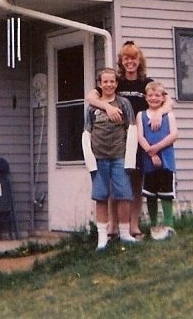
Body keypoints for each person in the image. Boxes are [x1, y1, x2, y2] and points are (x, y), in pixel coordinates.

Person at [85, 40, 173, 238]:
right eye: (126, 58)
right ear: (121, 61)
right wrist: (107, 107)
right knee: (113, 183)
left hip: (139, 139)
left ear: (139, 60)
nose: (130, 62)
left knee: (134, 183)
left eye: (134, 58)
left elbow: (168, 100)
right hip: (116, 140)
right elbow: (91, 97)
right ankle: (112, 226)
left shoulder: (145, 83)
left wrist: (160, 113)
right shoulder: (116, 82)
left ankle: (133, 225)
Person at [82, 67, 139, 249]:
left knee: (124, 195)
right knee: (101, 197)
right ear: (100, 84)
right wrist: (90, 160)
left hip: (119, 157)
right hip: (99, 158)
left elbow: (132, 129)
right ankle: (102, 237)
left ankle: (124, 233)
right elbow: (86, 133)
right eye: (105, 81)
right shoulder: (92, 108)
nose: (109, 85)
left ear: (116, 83)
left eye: (112, 81)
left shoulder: (124, 104)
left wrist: (130, 158)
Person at [137, 80, 179, 239]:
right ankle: (154, 225)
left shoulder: (169, 115)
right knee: (151, 194)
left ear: (163, 98)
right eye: (150, 95)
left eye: (157, 95)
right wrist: (151, 153)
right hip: (149, 161)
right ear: (146, 97)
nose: (154, 98)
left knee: (166, 193)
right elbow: (140, 136)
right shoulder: (141, 115)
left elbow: (174, 135)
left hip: (166, 160)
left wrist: (157, 148)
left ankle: (169, 225)